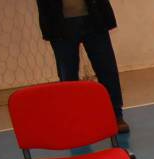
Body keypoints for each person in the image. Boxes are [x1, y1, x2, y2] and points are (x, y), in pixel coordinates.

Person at [36, 0, 129, 133]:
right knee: (68, 75)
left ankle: (116, 114)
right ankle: (75, 119)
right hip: (58, 22)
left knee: (107, 68)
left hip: (94, 16)